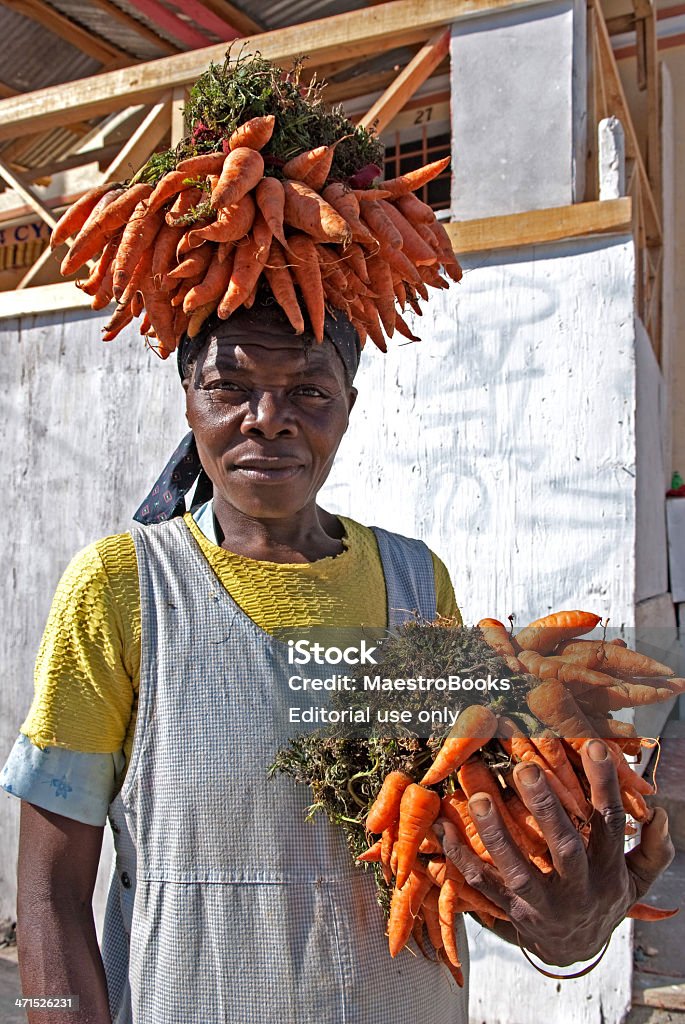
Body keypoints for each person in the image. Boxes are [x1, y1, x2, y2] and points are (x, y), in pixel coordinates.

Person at [2, 299, 674, 1024]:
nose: (267, 417)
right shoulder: (122, 587)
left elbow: (454, 850)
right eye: (229, 388)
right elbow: (49, 895)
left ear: (347, 406)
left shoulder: (415, 582)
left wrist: (551, 917)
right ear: (189, 398)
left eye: (308, 391)